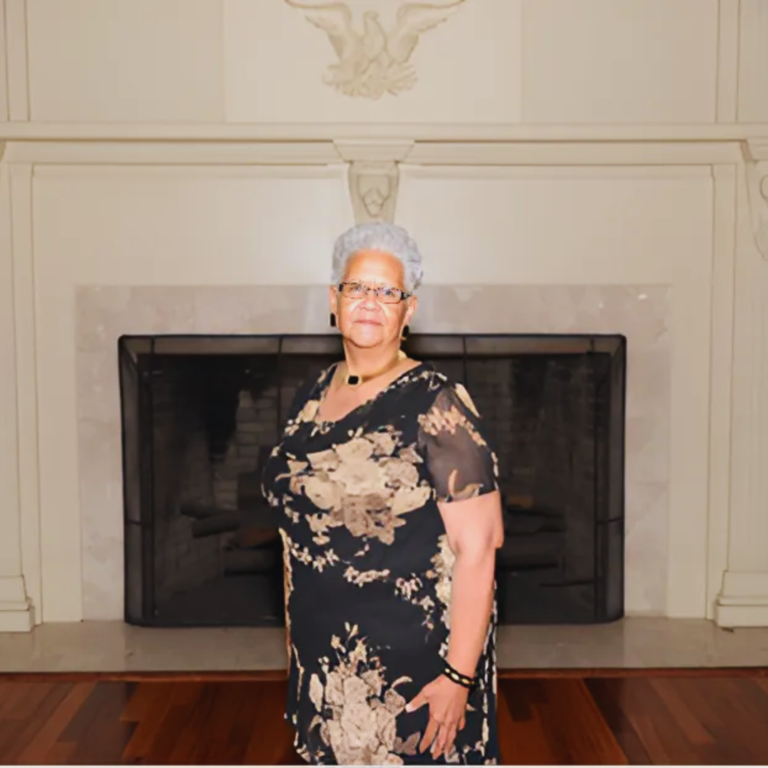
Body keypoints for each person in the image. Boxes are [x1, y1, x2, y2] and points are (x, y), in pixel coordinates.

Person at [261, 222, 504, 765]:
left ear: (408, 309)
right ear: (334, 299)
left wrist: (458, 677)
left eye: (387, 292)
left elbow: (480, 546)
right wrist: (296, 657)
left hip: (411, 667)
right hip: (322, 658)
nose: (370, 302)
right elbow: (294, 534)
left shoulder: (437, 404)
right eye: (357, 288)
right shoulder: (311, 395)